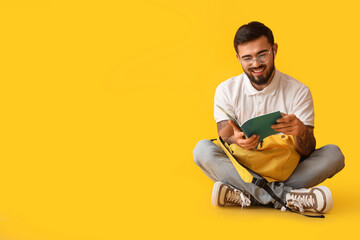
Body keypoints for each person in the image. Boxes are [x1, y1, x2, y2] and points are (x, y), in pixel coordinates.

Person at [193, 21, 345, 214]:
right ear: (238, 58)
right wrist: (235, 139)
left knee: (334, 154)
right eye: (247, 58)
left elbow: (308, 151)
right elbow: (224, 134)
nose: (255, 64)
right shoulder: (226, 89)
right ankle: (286, 197)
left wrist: (299, 131)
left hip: (285, 169)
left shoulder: (298, 91)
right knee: (202, 150)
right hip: (244, 170)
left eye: (262, 55)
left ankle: (246, 195)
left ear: (274, 49)